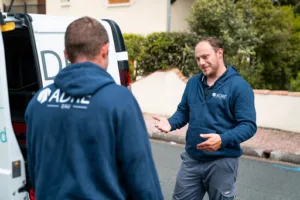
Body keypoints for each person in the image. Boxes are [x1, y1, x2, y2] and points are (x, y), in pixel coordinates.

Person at [25, 16, 163, 200]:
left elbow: (35, 171)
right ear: (105, 49)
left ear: (66, 54)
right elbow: (142, 181)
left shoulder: (39, 101)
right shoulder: (119, 100)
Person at [153, 37, 257, 200]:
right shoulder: (193, 82)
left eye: (205, 57)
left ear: (219, 53)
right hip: (192, 160)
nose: (201, 62)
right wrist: (170, 123)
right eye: (197, 59)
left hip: (222, 162)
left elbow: (248, 125)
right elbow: (184, 112)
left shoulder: (239, 87)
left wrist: (223, 139)